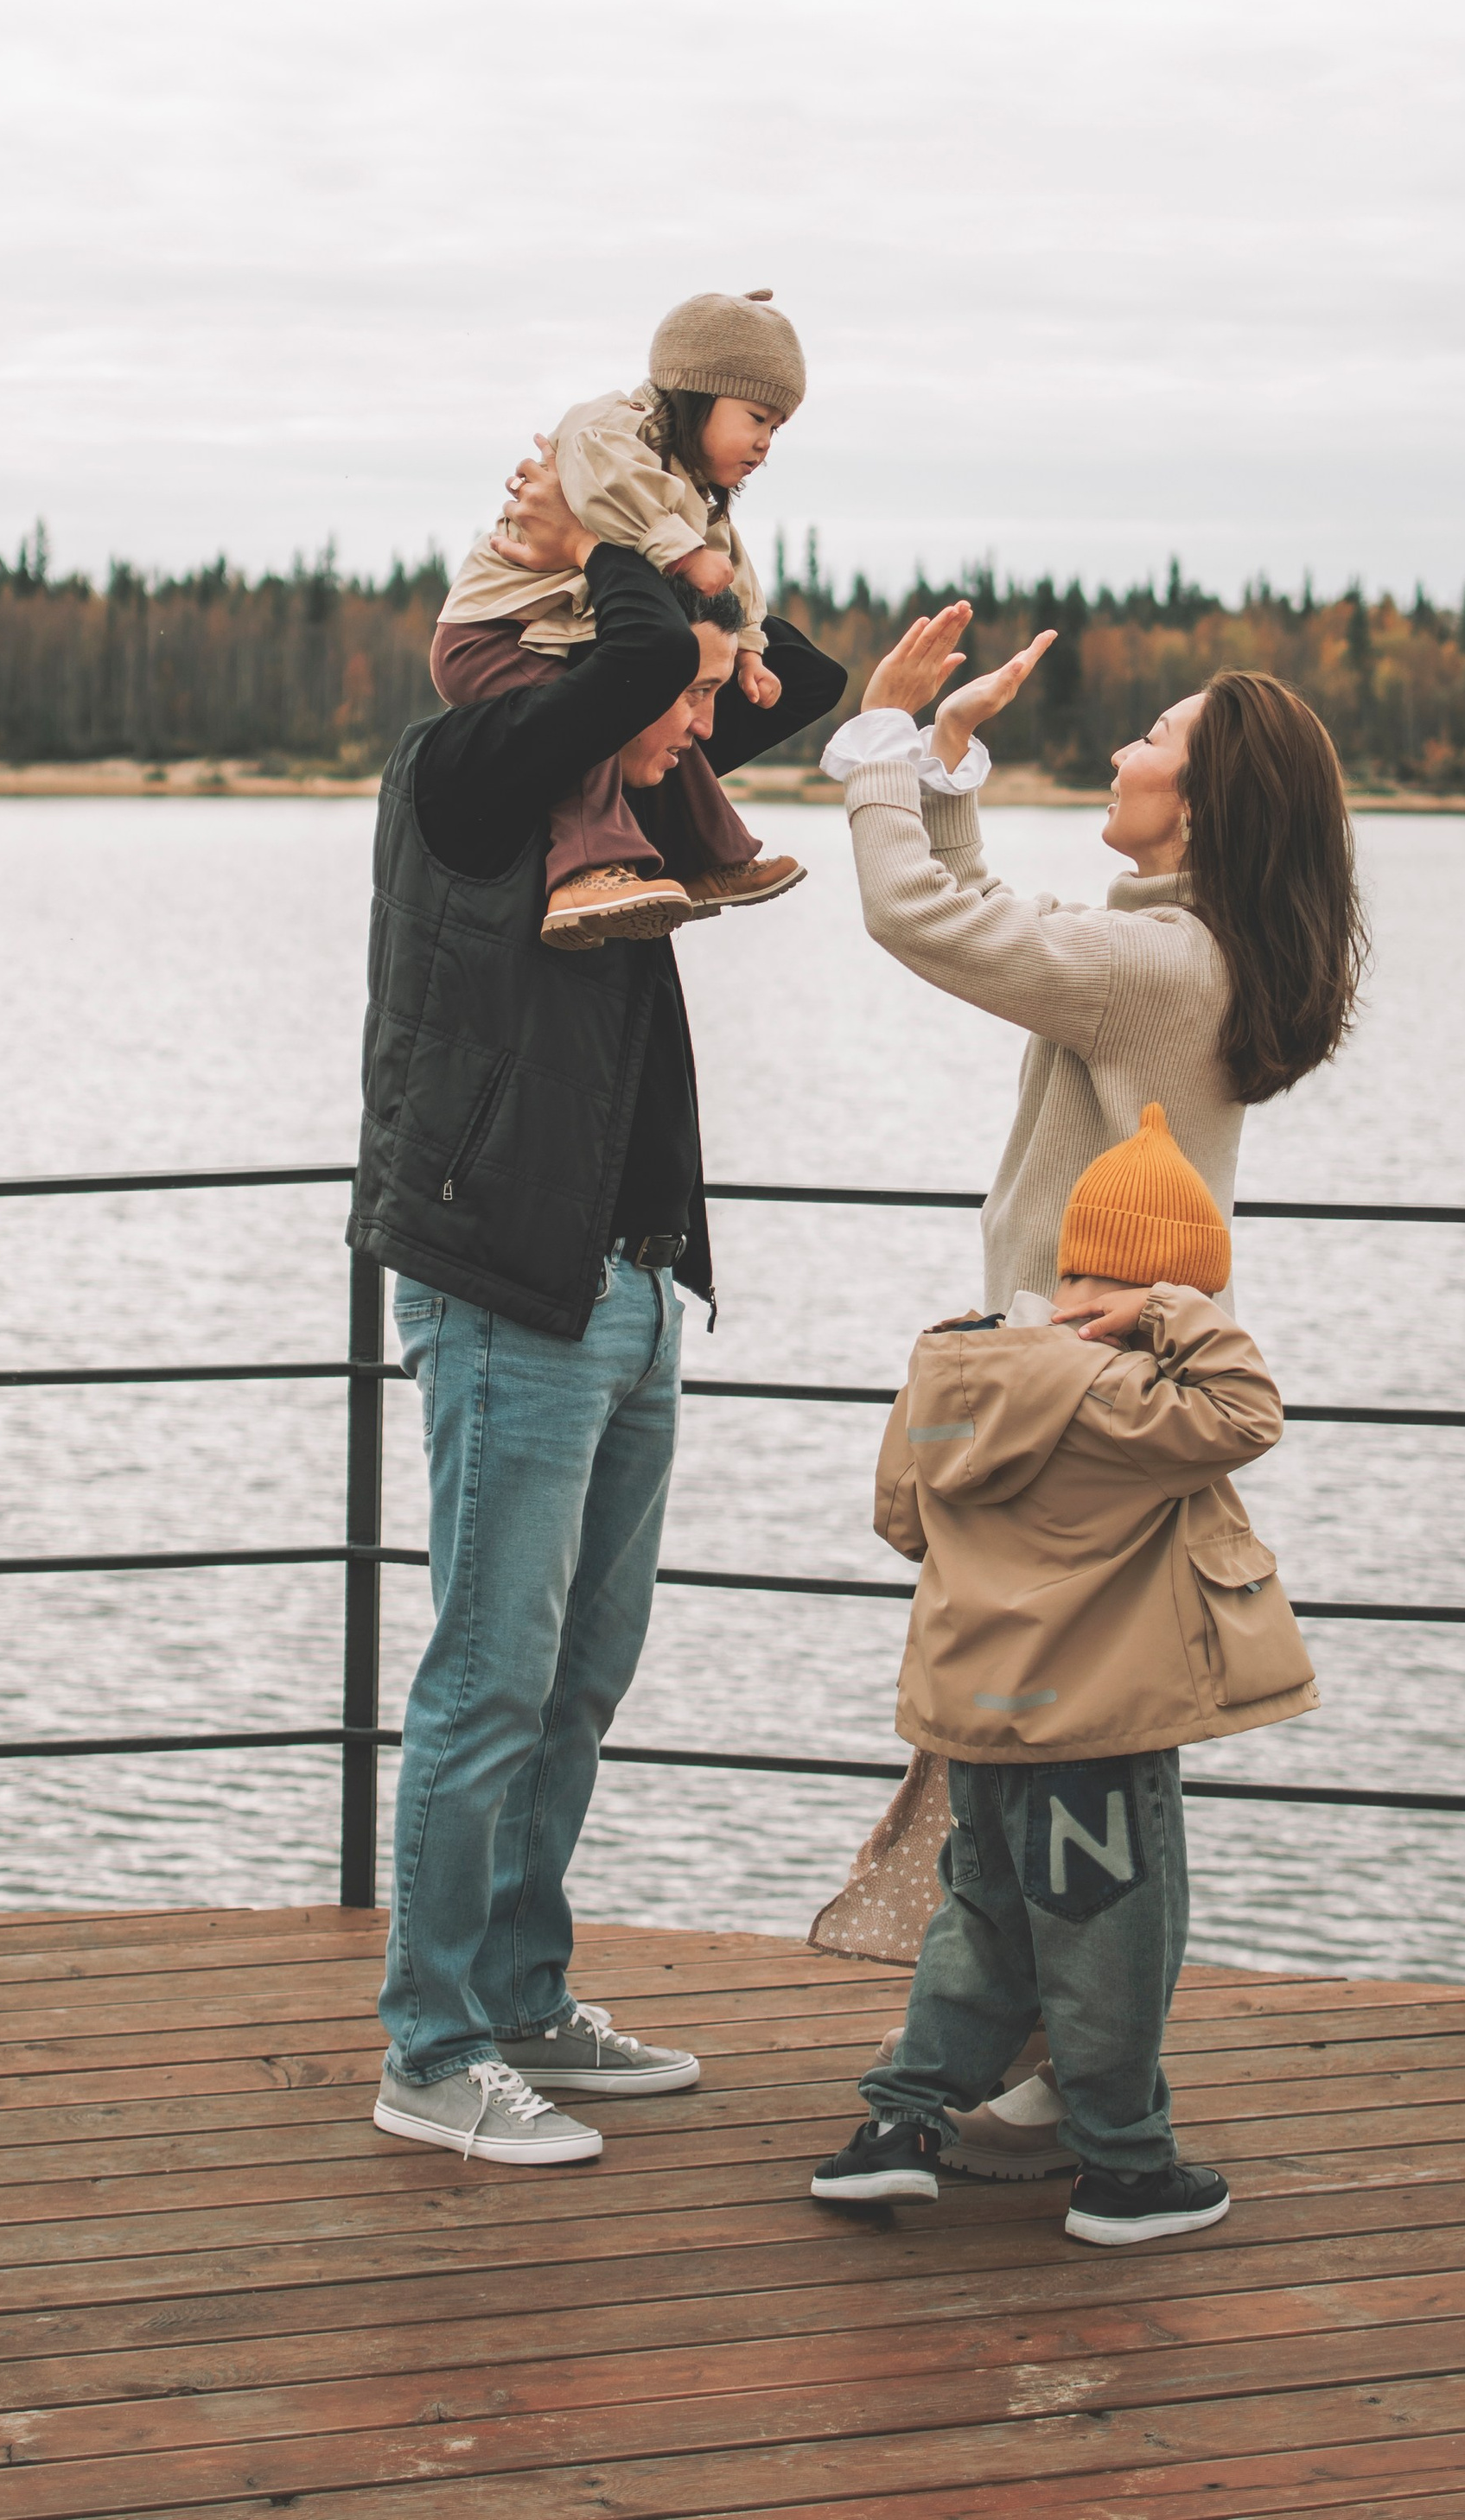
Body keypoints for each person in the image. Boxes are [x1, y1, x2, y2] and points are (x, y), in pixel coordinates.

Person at [350, 486, 846, 2167]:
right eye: (685, 699)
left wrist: (715, 568)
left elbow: (801, 678)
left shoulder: (618, 806)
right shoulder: (470, 777)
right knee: (488, 1680)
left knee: (576, 1679)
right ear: (594, 676)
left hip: (629, 1290)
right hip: (510, 1289)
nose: (709, 724)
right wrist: (608, 540)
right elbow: (636, 648)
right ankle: (428, 2057)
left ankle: (516, 1999)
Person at [809, 611, 1365, 1963]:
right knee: (1068, 1735)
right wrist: (943, 766)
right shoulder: (1178, 954)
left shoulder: (1156, 967)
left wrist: (882, 742)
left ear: (1203, 803)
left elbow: (924, 919)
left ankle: (1071, 2082)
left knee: (1060, 1744)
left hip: (1071, 1407)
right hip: (1108, 1395)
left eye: (1155, 738)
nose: (1125, 750)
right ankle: (1022, 2058)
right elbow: (1003, 925)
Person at [809, 1105, 1316, 2239]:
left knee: (982, 1922)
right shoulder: (1134, 1399)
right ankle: (1126, 2170)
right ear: (1162, 1288)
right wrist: (1175, 1314)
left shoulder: (954, 1362)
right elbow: (1249, 1410)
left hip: (974, 1725)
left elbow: (902, 1519)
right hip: (1097, 1732)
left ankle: (900, 2127)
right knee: (1114, 1940)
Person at [433, 288, 811, 949]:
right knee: (587, 721)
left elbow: (734, 574)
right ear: (696, 391)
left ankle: (709, 860)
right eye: (755, 416)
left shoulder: (693, 490)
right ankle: (584, 871)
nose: (763, 443)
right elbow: (605, 489)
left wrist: (749, 648)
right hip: (494, 634)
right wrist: (682, 552)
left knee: (660, 714)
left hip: (558, 635)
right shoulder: (616, 427)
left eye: (776, 428)